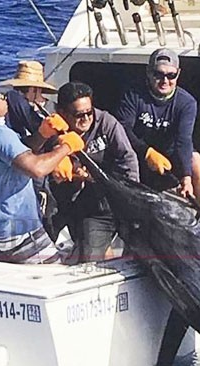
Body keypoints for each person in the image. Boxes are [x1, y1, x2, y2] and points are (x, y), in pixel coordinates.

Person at [0, 77, 84, 264]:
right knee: (56, 277)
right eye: (1, 97)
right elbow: (36, 169)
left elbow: (18, 154)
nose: (5, 100)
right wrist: (66, 148)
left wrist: (42, 134)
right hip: (21, 231)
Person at [115, 48, 200, 222]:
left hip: (169, 159)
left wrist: (186, 177)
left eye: (171, 75)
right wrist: (146, 152)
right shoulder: (133, 95)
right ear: (148, 73)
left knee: (195, 158)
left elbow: (183, 141)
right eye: (158, 74)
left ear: (178, 74)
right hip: (138, 154)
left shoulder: (187, 102)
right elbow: (122, 129)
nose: (165, 80)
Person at [51, 81, 140, 262]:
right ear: (62, 113)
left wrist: (131, 197)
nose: (85, 119)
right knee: (90, 257)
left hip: (115, 198)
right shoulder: (51, 129)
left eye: (89, 112)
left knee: (142, 249)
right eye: (78, 115)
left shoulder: (107, 122)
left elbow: (128, 158)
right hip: (80, 205)